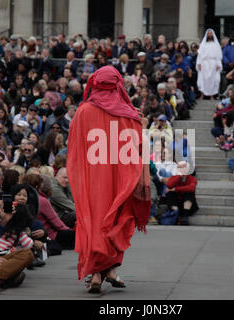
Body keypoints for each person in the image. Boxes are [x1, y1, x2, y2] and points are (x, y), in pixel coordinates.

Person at [66, 66, 151, 293]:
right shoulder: (128, 114)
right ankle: (109, 271)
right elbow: (138, 148)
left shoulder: (83, 112)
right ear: (117, 85)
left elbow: (74, 150)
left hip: (93, 181)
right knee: (116, 220)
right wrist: (141, 127)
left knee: (94, 223)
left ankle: (97, 275)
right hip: (120, 181)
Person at [196, 29, 223, 99]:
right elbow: (200, 55)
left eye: (211, 34)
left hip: (213, 63)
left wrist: (218, 64)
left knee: (213, 79)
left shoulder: (216, 45)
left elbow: (218, 56)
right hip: (204, 63)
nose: (210, 35)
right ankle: (202, 94)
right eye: (209, 34)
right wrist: (199, 63)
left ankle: (212, 95)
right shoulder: (203, 44)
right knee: (202, 79)